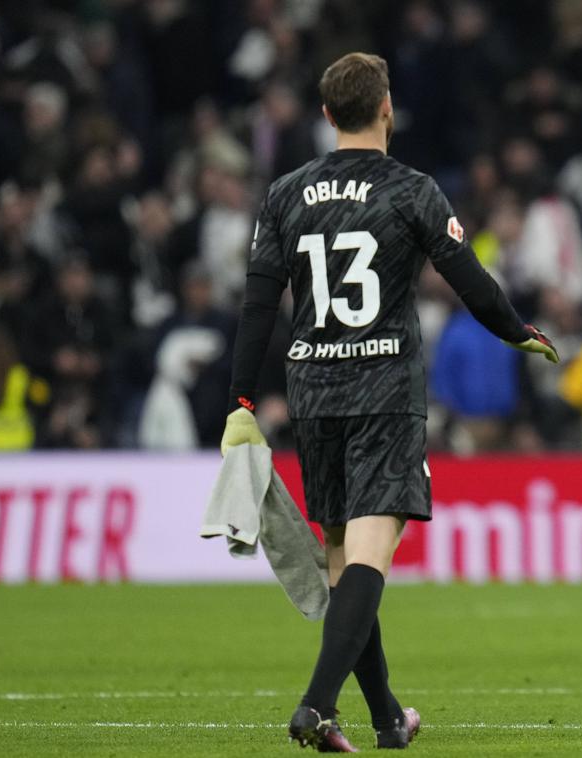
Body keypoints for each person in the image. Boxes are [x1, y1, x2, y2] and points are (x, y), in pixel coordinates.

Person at [219, 52, 558, 752]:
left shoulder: (285, 192)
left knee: (344, 561)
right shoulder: (412, 189)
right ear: (386, 109)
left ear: (324, 115)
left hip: (313, 390)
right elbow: (470, 280)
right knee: (371, 553)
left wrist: (241, 400)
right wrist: (516, 332)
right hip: (383, 389)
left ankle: (384, 720)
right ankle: (316, 705)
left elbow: (258, 308)